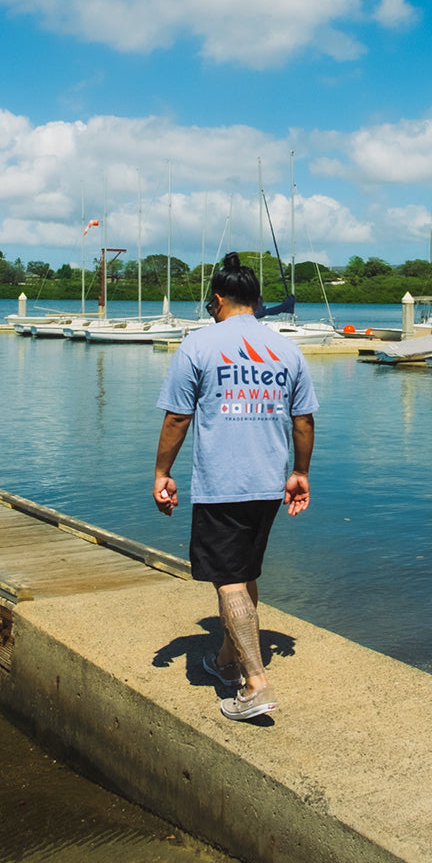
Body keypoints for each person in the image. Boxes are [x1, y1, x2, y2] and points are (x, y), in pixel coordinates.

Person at [153, 252, 318, 722]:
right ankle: (227, 659)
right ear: (259, 301)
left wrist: (162, 472)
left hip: (222, 483)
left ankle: (255, 682)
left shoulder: (199, 345)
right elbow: (302, 420)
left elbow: (178, 417)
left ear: (219, 299)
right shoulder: (287, 350)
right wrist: (300, 472)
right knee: (244, 574)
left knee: (227, 581)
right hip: (268, 483)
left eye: (211, 303)